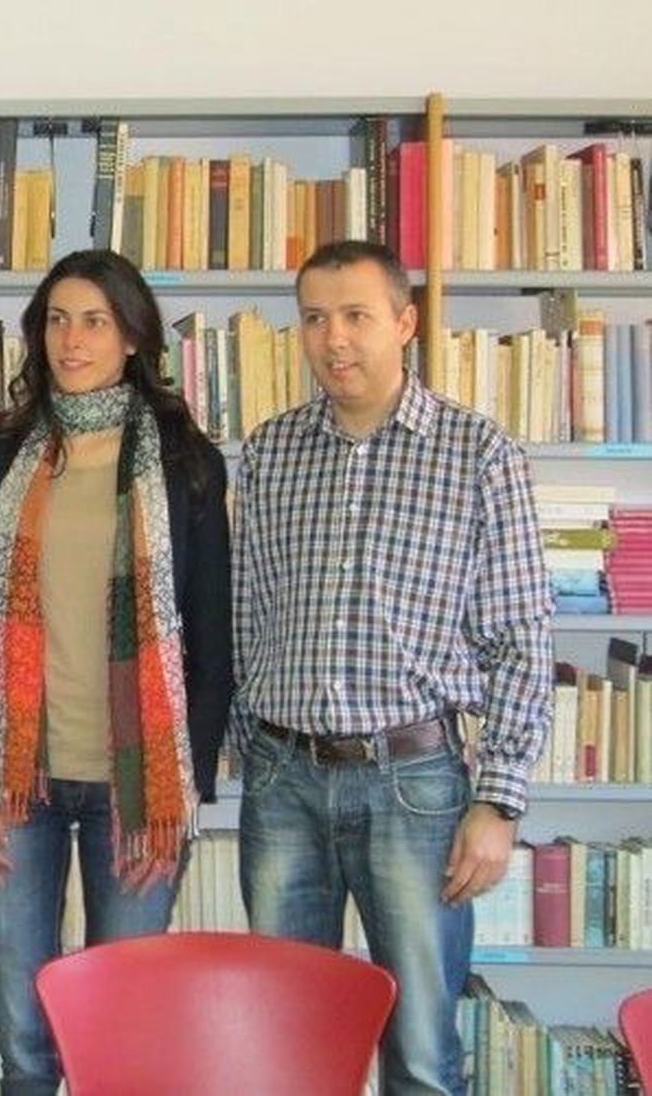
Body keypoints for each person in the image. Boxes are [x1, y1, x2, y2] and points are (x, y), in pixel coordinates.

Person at [234, 239, 554, 1096]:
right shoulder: (269, 452)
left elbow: (521, 638)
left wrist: (499, 799)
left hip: (414, 784)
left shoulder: (478, 453)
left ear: (405, 323)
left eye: (356, 315)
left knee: (419, 1050)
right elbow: (248, 614)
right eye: (314, 318)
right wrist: (245, 749)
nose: (333, 338)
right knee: (285, 1045)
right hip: (283, 781)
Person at [0, 248, 233, 1096]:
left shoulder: (186, 461)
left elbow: (211, 642)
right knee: (26, 1042)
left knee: (120, 1040)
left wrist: (178, 796)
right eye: (58, 321)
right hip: (13, 783)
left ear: (133, 336)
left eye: (95, 321)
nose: (72, 340)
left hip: (136, 792)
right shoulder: (5, 455)